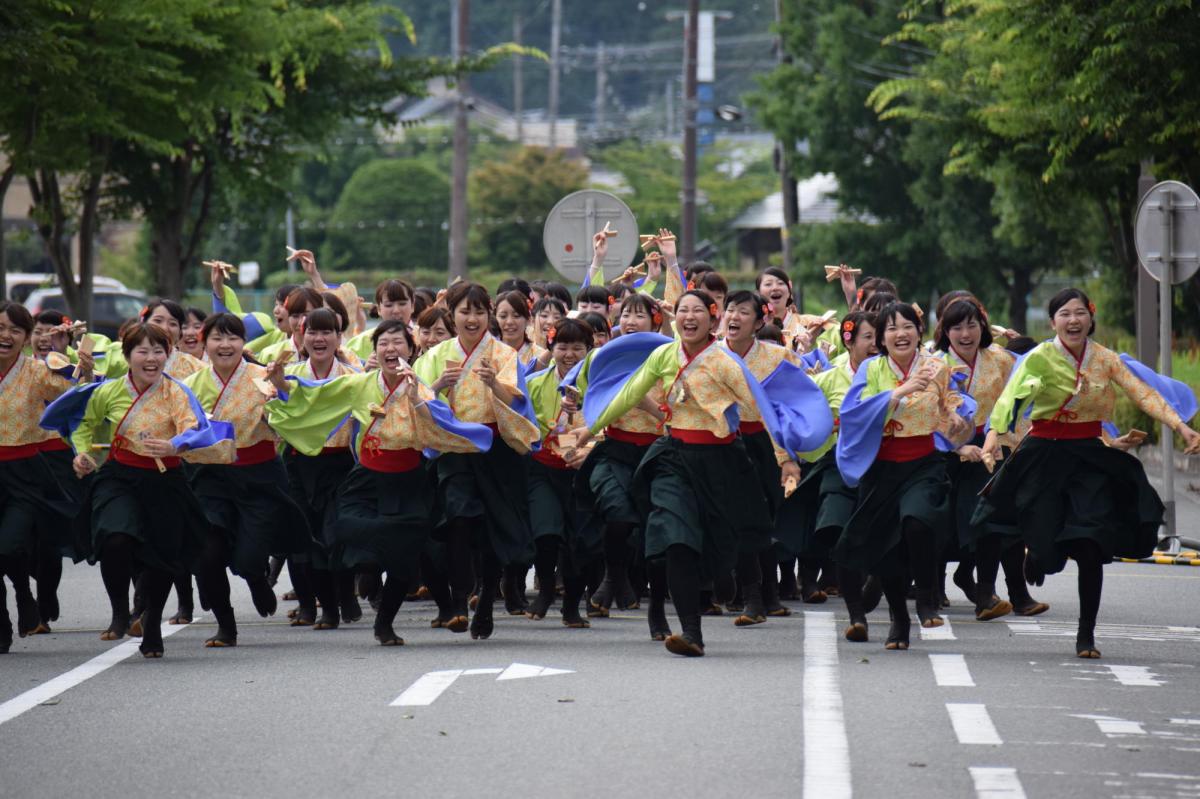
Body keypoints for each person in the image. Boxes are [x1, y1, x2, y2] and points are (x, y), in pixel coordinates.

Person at [569, 290, 827, 657]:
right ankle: (691, 632)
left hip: (722, 460)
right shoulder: (663, 354)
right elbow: (629, 393)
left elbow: (762, 409)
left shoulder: (724, 363)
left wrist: (785, 458)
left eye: (697, 311)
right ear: (674, 319)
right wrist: (589, 427)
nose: (688, 317)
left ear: (712, 317)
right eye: (682, 311)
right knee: (675, 539)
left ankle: (727, 583)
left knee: (721, 542)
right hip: (672, 456)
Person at [979, 288, 1200, 659]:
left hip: (1089, 458)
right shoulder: (1038, 358)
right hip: (1043, 455)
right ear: (1053, 322)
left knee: (1091, 544)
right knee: (1048, 556)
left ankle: (1086, 635)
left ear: (1090, 318)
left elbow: (1142, 393)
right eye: (1065, 313)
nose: (1073, 320)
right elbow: (1011, 399)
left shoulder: (1106, 359)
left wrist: (1181, 427)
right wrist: (991, 439)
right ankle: (1035, 554)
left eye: (1080, 312)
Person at [267, 320, 491, 645]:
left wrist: (416, 399)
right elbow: (317, 396)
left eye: (398, 343)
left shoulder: (421, 387)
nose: (390, 349)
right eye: (383, 343)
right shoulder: (360, 384)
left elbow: (441, 427)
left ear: (411, 350)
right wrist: (282, 385)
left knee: (404, 557)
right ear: (375, 351)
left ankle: (384, 623)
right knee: (351, 532)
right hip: (367, 480)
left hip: (409, 482)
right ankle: (364, 579)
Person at [60, 323, 231, 658]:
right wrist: (81, 452)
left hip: (166, 480)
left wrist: (173, 444)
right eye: (143, 350)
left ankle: (151, 623)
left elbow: (195, 429)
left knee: (162, 557)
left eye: (159, 350)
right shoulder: (108, 392)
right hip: (119, 476)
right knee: (115, 536)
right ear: (127, 356)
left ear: (168, 355)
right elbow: (83, 423)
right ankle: (121, 609)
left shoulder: (178, 392)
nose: (151, 358)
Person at [835, 301, 972, 650]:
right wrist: (900, 391)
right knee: (886, 549)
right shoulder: (870, 369)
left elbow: (948, 403)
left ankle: (926, 596)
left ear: (919, 331)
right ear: (881, 337)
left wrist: (954, 418)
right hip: (880, 467)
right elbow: (854, 414)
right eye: (891, 328)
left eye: (907, 326)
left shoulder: (937, 367)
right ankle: (899, 619)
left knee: (916, 521)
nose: (901, 333)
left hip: (923, 463)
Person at [413, 282, 540, 640]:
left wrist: (493, 384)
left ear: (488, 315)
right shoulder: (436, 355)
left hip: (496, 452)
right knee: (458, 518)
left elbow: (518, 403)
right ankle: (457, 600)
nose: (472, 318)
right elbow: (416, 397)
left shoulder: (502, 355)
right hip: (455, 449)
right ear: (451, 315)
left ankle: (485, 599)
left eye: (479, 311)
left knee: (492, 532)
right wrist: (436, 385)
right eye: (465, 311)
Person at [181, 313, 311, 647]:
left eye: (233, 338)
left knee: (248, 557)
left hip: (259, 476)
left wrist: (281, 389)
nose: (225, 345)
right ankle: (226, 626)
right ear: (204, 342)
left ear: (243, 343)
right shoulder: (192, 385)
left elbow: (292, 412)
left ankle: (256, 578)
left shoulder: (262, 376)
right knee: (207, 554)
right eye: (217, 338)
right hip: (210, 477)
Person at [932, 294, 1045, 620]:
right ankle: (936, 588)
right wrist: (954, 447)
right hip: (943, 450)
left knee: (998, 517)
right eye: (957, 327)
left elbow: (1017, 402)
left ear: (982, 326)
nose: (965, 334)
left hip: (991, 449)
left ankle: (1003, 595)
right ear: (945, 331)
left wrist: (1008, 441)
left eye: (971, 325)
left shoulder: (1002, 360)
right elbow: (925, 410)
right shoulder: (932, 362)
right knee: (939, 524)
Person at [566, 293, 667, 629]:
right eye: (626, 315)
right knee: (616, 512)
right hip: (614, 449)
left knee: (656, 529)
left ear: (656, 321)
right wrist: (578, 430)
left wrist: (642, 402)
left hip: (657, 453)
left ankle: (653, 603)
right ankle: (613, 575)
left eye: (639, 315)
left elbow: (677, 413)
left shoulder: (670, 357)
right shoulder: (602, 356)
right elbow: (583, 399)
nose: (631, 322)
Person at [0, 302, 92, 652]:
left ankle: (24, 590)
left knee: (9, 545)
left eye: (14, 330)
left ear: (24, 339)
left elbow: (72, 397)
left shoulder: (36, 372)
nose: (5, 336)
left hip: (24, 473)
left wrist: (83, 373)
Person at [719, 291, 804, 625]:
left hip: (768, 443)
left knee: (766, 518)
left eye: (743, 311)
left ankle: (769, 594)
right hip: (726, 442)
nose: (734, 317)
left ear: (760, 321)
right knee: (743, 520)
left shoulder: (779, 356)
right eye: (730, 310)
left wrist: (788, 457)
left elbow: (793, 407)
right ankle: (752, 596)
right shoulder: (712, 355)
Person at [279, 307, 363, 630]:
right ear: (301, 336)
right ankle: (319, 605)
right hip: (299, 464)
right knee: (304, 536)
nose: (319, 338)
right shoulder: (289, 375)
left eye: (327, 332)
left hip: (340, 465)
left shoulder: (354, 378)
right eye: (312, 331)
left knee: (334, 535)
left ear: (339, 338)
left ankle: (342, 594)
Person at [523, 318, 601, 628]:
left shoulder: (597, 385)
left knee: (579, 541)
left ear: (589, 350)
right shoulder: (533, 382)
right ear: (551, 348)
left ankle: (571, 604)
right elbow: (520, 422)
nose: (569, 354)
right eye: (563, 347)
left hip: (580, 468)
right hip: (542, 467)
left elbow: (607, 425)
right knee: (546, 532)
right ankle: (544, 588)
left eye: (578, 348)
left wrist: (580, 423)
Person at [346, 279, 415, 362]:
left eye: (402, 304)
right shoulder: (359, 343)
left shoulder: (425, 338)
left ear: (412, 306)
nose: (396, 310)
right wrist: (365, 368)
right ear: (379, 309)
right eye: (389, 305)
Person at [495, 290, 549, 370]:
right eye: (503, 316)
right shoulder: (487, 353)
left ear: (528, 319)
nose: (509, 322)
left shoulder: (540, 356)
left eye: (516, 316)